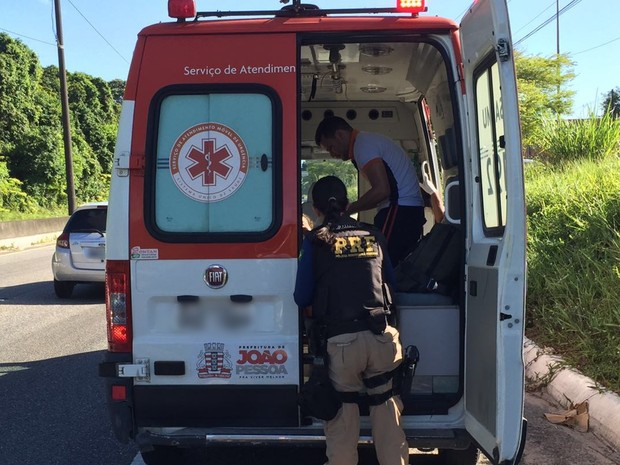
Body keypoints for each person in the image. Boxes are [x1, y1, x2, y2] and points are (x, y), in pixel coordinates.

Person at [294, 176, 409, 465]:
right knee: (389, 423)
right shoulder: (374, 235)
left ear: (316, 209)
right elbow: (391, 283)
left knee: (342, 429)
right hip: (382, 339)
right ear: (347, 204)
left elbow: (300, 296)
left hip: (342, 345)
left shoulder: (316, 240)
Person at [315, 116, 425, 265]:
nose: (332, 154)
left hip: (400, 210)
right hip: (405, 209)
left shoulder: (363, 146)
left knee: (379, 262)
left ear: (340, 135)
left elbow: (382, 191)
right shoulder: (366, 143)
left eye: (331, 147)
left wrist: (348, 210)